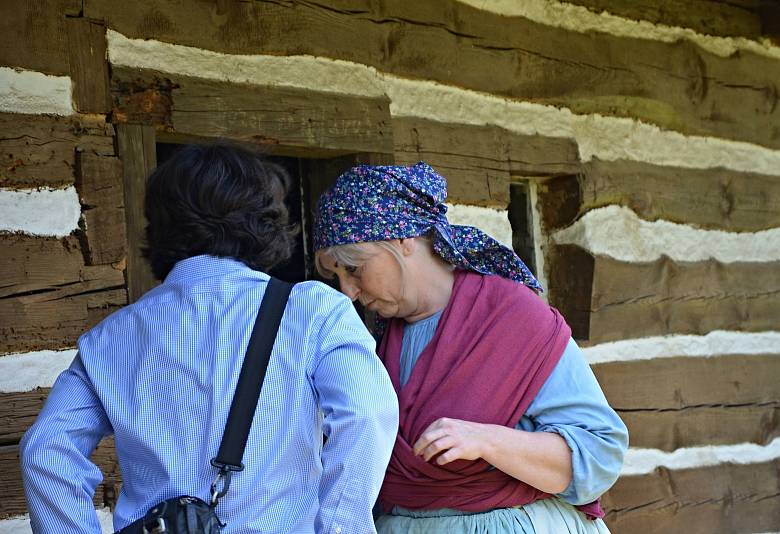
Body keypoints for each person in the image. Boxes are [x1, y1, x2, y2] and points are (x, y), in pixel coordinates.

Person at [20, 143, 399, 534]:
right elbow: (366, 414)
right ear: (265, 218)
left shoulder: (110, 338)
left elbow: (46, 451)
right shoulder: (312, 311)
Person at [313, 162, 628, 534]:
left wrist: (487, 439)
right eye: (337, 276)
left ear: (402, 239)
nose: (348, 291)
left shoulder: (510, 317)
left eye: (354, 268)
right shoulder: (378, 342)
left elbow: (598, 455)